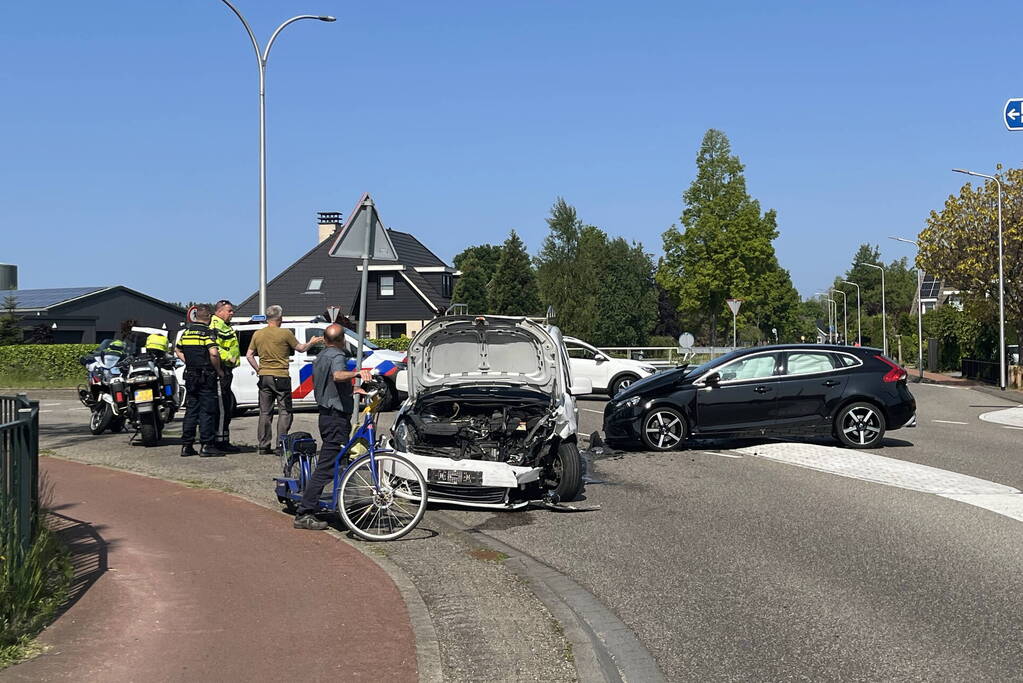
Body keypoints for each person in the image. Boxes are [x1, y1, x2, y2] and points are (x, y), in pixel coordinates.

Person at [293, 323, 371, 530]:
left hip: (326, 415)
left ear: (325, 339)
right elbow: (337, 375)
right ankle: (305, 512)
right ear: (342, 339)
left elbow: (330, 383)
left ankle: (345, 503)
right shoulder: (338, 355)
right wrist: (356, 374)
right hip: (336, 419)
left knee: (338, 461)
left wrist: (352, 390)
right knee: (327, 465)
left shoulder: (321, 356)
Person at [246, 305, 323, 455]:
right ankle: (281, 444)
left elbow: (249, 355)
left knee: (265, 412)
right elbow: (301, 348)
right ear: (280, 317)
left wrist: (258, 369)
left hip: (264, 376)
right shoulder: (285, 333)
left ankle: (263, 445)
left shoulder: (258, 334)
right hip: (280, 376)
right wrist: (312, 342)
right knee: (285, 411)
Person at [174, 304, 224, 457]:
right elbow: (214, 353)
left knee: (191, 410)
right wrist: (219, 370)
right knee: (207, 410)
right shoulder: (207, 333)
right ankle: (206, 445)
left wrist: (188, 362)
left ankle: (187, 445)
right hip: (206, 376)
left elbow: (177, 350)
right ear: (208, 318)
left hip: (190, 375)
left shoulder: (187, 333)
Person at [209, 299, 241, 452]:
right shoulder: (214, 325)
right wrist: (228, 357)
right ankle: (220, 442)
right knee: (222, 409)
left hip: (227, 370)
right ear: (220, 311)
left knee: (227, 408)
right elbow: (214, 347)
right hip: (221, 369)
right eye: (229, 311)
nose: (232, 313)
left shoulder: (225, 325)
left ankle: (224, 439)